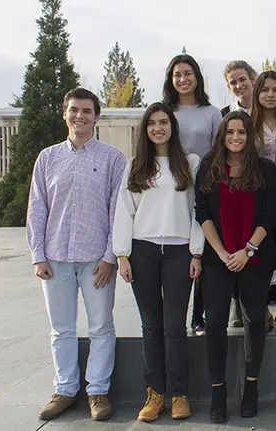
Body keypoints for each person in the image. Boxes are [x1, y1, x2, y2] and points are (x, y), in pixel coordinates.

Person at [27, 87, 126, 422]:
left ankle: (97, 390)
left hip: (97, 259)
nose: (79, 116)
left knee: (101, 327)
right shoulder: (48, 158)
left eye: (86, 111)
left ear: (97, 116)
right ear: (64, 113)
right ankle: (65, 390)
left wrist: (111, 257)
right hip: (55, 257)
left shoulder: (113, 158)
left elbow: (118, 211)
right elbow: (37, 208)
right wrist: (38, 254)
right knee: (61, 329)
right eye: (73, 110)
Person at [112, 103, 204, 422]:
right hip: (144, 251)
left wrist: (196, 252)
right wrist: (122, 254)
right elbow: (124, 210)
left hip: (179, 252)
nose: (158, 128)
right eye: (151, 123)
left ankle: (180, 393)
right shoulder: (136, 164)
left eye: (164, 122)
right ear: (145, 129)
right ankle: (155, 393)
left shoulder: (190, 163)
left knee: (175, 325)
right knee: (151, 325)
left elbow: (198, 211)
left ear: (172, 127)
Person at [194, 110, 276, 422]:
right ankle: (218, 390)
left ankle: (251, 385)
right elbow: (201, 211)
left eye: (241, 132)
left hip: (254, 256)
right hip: (218, 257)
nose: (235, 137)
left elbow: (270, 214)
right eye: (230, 132)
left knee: (254, 319)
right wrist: (220, 252)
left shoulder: (266, 169)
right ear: (222, 135)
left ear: (249, 135)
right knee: (215, 322)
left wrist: (247, 249)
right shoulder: (209, 166)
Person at [162, 54, 222, 337]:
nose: (183, 79)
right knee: (177, 250)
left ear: (197, 77)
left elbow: (219, 150)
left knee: (203, 249)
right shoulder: (164, 111)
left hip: (204, 186)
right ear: (170, 79)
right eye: (177, 74)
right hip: (169, 189)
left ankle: (200, 314)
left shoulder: (211, 113)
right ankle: (174, 316)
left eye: (188, 73)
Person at [251, 70, 276, 334]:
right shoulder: (248, 123)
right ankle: (261, 307)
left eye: (275, 89)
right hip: (257, 195)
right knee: (261, 254)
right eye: (264, 89)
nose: (270, 94)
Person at [220, 60, 259, 328]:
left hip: (263, 180)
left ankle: (271, 306)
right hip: (235, 183)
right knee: (235, 239)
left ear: (253, 78)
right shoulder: (224, 114)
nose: (238, 85)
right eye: (232, 82)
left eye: (242, 79)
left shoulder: (268, 108)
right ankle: (236, 303)